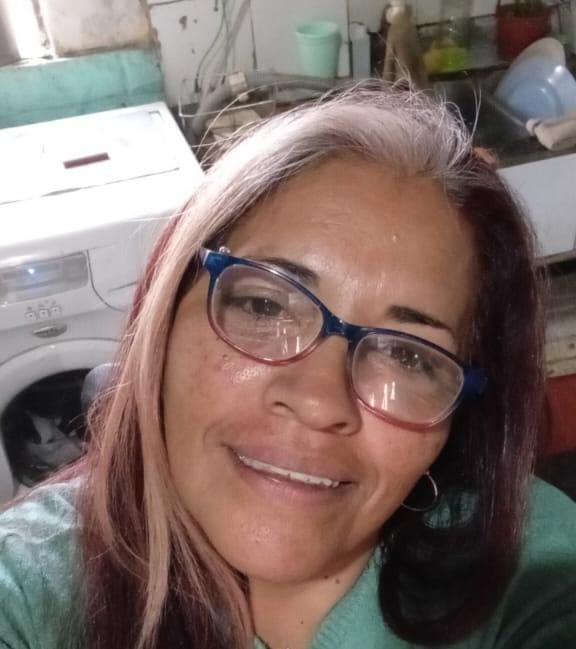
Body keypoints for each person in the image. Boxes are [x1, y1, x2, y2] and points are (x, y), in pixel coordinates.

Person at [1, 82, 575, 649]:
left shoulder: (530, 566)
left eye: (406, 354)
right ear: (166, 316)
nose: (319, 401)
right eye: (265, 306)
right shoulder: (33, 586)